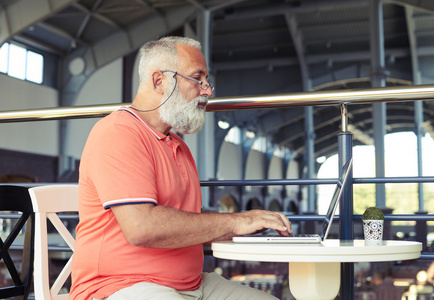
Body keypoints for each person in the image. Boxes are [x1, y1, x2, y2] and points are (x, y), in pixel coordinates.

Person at [70, 36, 292, 300]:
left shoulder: (178, 145)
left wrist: (253, 228)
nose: (208, 91)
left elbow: (190, 223)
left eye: (207, 81)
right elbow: (142, 228)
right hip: (119, 286)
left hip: (193, 286)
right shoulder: (119, 132)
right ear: (159, 81)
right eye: (198, 79)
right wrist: (237, 221)